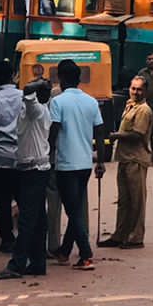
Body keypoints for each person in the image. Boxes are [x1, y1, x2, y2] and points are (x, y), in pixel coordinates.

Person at [50, 58, 104, 270]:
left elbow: (53, 132)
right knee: (75, 207)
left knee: (73, 210)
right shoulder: (91, 102)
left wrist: (47, 155)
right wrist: (100, 160)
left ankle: (86, 253)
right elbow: (100, 131)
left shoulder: (58, 102)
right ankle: (64, 251)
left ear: (61, 78)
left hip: (65, 163)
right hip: (84, 163)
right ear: (79, 79)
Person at [0, 79, 52, 279]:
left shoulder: (35, 110)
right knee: (37, 219)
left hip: (33, 170)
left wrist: (38, 83)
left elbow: (28, 90)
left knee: (27, 218)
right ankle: (37, 262)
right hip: (34, 169)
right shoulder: (37, 112)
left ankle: (17, 264)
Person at [101, 75, 153, 248]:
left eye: (139, 89)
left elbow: (138, 134)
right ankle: (120, 234)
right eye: (133, 88)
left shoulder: (144, 110)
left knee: (136, 201)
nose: (135, 92)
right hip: (124, 158)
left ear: (145, 91)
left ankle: (136, 237)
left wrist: (116, 135)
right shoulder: (130, 106)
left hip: (136, 159)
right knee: (124, 201)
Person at [0, 59, 23, 252]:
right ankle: (26, 238)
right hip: (21, 157)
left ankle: (7, 240)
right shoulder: (25, 98)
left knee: (2, 201)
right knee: (24, 200)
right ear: (13, 75)